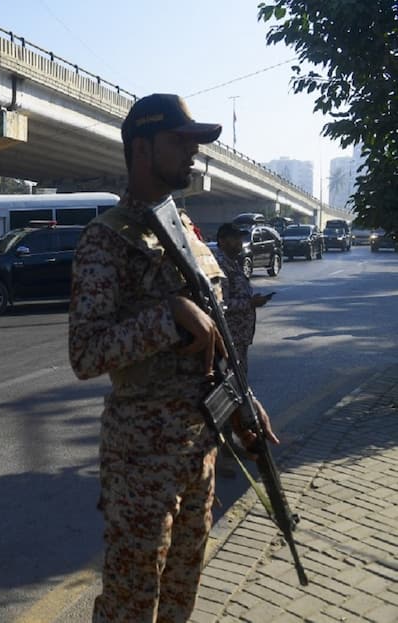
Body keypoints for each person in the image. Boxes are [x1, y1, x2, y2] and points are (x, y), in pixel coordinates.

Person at [68, 93, 278, 622]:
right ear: (142, 148)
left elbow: (213, 345)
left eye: (194, 143)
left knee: (181, 597)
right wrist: (169, 316)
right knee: (131, 604)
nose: (192, 153)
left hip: (199, 449)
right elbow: (86, 352)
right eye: (179, 142)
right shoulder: (106, 240)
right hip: (141, 459)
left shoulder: (188, 234)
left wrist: (243, 408)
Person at [212, 222, 272, 375]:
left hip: (239, 337)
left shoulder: (233, 262)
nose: (240, 242)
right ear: (222, 241)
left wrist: (252, 300)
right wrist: (250, 303)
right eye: (235, 238)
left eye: (240, 238)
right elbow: (220, 304)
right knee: (234, 382)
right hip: (229, 337)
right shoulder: (219, 265)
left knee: (240, 377)